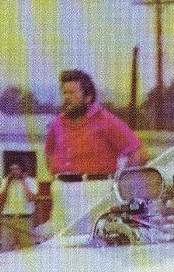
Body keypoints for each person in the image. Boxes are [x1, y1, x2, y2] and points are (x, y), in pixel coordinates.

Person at [44, 69, 146, 232]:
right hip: (62, 193)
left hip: (95, 190)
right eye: (64, 93)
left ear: (88, 97)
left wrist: (120, 183)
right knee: (61, 241)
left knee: (96, 241)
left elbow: (138, 153)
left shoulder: (106, 120)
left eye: (72, 93)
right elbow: (49, 153)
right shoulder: (57, 123)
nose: (67, 97)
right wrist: (58, 180)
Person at [0, 161, 39, 252]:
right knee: (5, 251)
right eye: (12, 169)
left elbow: (31, 198)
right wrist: (7, 184)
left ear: (22, 170)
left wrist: (23, 182)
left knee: (28, 251)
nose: (14, 172)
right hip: (8, 220)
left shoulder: (31, 180)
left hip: (25, 220)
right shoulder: (5, 181)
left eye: (17, 169)